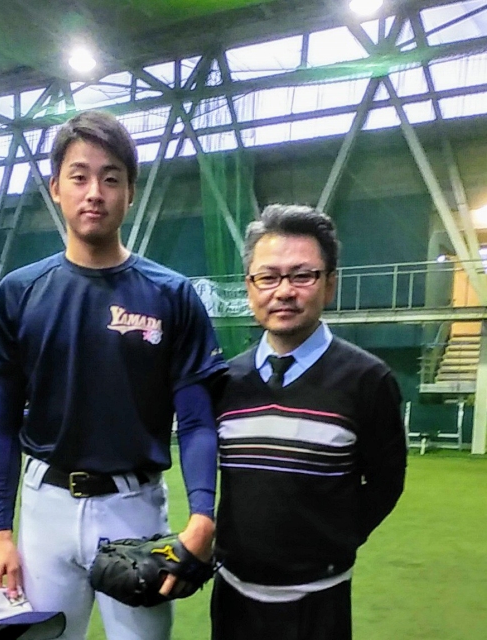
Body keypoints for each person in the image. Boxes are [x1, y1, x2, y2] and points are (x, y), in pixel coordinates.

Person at [0, 110, 227, 640]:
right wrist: (1, 532)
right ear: (56, 188)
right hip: (44, 508)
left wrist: (203, 516)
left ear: (130, 193)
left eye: (111, 178)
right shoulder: (19, 292)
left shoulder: (171, 294)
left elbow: (196, 422)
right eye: (79, 176)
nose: (95, 192)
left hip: (135, 509)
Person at [210, 204, 407, 640]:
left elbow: (386, 482)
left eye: (302, 276)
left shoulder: (368, 380)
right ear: (250, 286)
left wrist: (333, 541)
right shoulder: (226, 381)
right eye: (268, 277)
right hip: (232, 596)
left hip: (319, 601)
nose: (284, 291)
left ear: (330, 284)